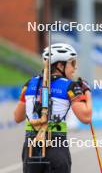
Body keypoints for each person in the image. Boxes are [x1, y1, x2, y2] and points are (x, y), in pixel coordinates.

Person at [14, 43, 92, 173]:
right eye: (72, 63)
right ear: (60, 65)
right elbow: (86, 117)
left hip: (31, 148)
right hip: (56, 147)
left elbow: (17, 117)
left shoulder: (29, 83)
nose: (75, 67)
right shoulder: (70, 86)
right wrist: (87, 91)